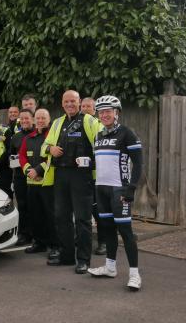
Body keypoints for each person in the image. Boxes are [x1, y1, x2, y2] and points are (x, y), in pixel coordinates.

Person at [87, 95, 143, 291]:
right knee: (107, 230)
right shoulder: (98, 136)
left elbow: (138, 163)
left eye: (108, 111)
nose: (104, 115)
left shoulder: (127, 133)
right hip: (100, 189)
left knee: (126, 232)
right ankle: (110, 267)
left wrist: (131, 188)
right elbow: (100, 162)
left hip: (119, 189)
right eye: (101, 112)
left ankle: (135, 274)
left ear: (116, 113)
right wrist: (87, 163)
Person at [42, 90, 100, 273]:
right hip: (60, 175)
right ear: (62, 103)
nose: (69, 104)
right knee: (61, 217)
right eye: (66, 101)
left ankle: (83, 260)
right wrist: (50, 149)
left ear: (79, 102)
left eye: (73, 101)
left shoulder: (90, 121)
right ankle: (67, 256)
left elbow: (102, 144)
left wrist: (91, 162)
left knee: (82, 219)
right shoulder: (57, 122)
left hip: (81, 176)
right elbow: (45, 146)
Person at [19, 109, 59, 257]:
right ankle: (39, 243)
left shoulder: (53, 136)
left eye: (43, 118)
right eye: (38, 118)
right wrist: (29, 170)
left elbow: (52, 157)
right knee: (35, 216)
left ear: (49, 120)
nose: (40, 120)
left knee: (51, 216)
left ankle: (55, 245)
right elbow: (22, 156)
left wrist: (38, 170)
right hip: (32, 183)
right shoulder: (28, 138)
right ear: (34, 120)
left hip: (48, 184)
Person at [81, 97, 107, 255]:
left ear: (94, 109)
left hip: (97, 177)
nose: (85, 108)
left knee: (99, 211)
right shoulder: (76, 124)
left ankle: (103, 242)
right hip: (80, 177)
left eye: (88, 106)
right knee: (83, 211)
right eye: (83, 106)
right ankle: (83, 240)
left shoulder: (98, 125)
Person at [10, 109, 35, 245]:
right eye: (22, 119)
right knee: (22, 205)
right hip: (20, 176)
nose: (25, 121)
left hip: (36, 176)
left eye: (27, 118)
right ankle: (24, 234)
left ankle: (36, 233)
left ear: (33, 119)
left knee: (36, 206)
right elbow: (11, 155)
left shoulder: (38, 134)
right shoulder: (16, 137)